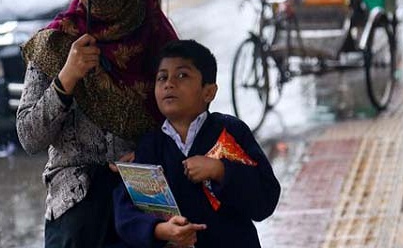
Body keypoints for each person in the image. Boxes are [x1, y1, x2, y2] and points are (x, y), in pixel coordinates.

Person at [16, 0, 178, 248]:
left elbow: (185, 123)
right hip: (76, 204)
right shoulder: (56, 43)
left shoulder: (158, 39)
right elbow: (29, 137)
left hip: (144, 200)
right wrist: (67, 78)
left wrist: (146, 154)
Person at [113, 40, 281, 248]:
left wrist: (221, 171)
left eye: (182, 75)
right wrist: (159, 229)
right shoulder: (150, 146)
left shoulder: (230, 131)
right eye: (162, 77)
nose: (169, 83)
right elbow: (125, 211)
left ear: (208, 92)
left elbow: (265, 199)